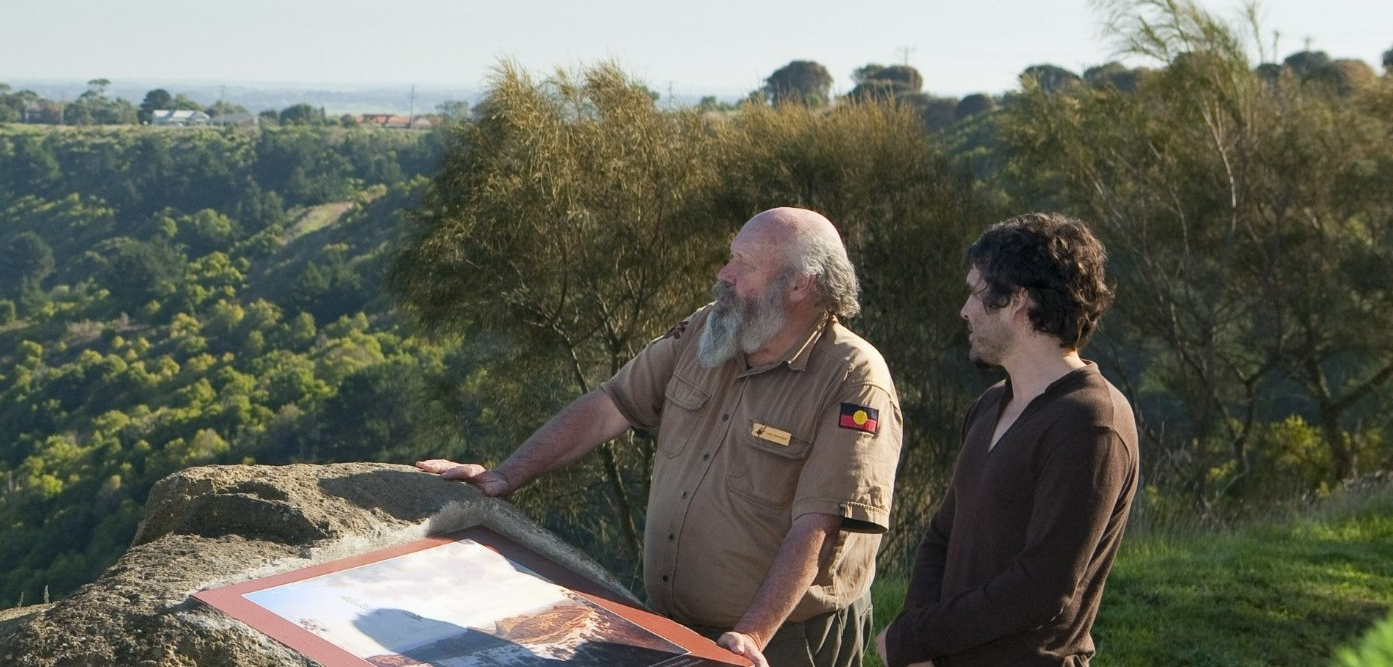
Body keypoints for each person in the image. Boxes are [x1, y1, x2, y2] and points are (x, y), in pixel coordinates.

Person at [416, 207, 901, 667]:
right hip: (673, 623)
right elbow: (610, 406)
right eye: (731, 256)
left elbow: (819, 524)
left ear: (800, 283)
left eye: (744, 264)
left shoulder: (854, 380)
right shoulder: (709, 329)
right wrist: (505, 475)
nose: (724, 274)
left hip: (784, 642)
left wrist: (751, 634)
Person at [877, 213, 1137, 667]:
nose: (965, 310)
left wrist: (918, 637)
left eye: (977, 293)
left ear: (1019, 302)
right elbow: (942, 536)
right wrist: (918, 641)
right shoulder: (991, 403)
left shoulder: (1091, 422)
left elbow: (1042, 586)